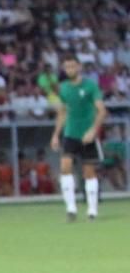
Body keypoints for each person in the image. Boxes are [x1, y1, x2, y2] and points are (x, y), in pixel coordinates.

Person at [51, 53, 107, 221]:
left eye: (72, 66)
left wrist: (93, 131)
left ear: (79, 67)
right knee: (65, 167)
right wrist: (55, 135)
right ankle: (71, 208)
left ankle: (92, 210)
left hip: (87, 134)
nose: (70, 69)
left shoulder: (90, 86)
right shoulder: (63, 88)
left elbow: (102, 111)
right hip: (70, 133)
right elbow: (62, 113)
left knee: (89, 172)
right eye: (67, 67)